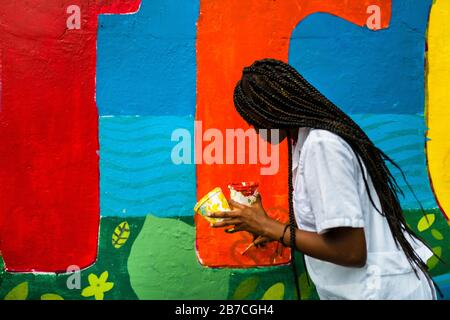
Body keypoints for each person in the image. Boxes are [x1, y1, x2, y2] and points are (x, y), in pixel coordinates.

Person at [207, 58, 438, 300]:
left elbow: (351, 251)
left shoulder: (322, 146)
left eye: (255, 119)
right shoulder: (305, 143)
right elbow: (333, 232)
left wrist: (270, 227)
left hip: (382, 292)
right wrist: (275, 231)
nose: (254, 129)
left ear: (274, 110)